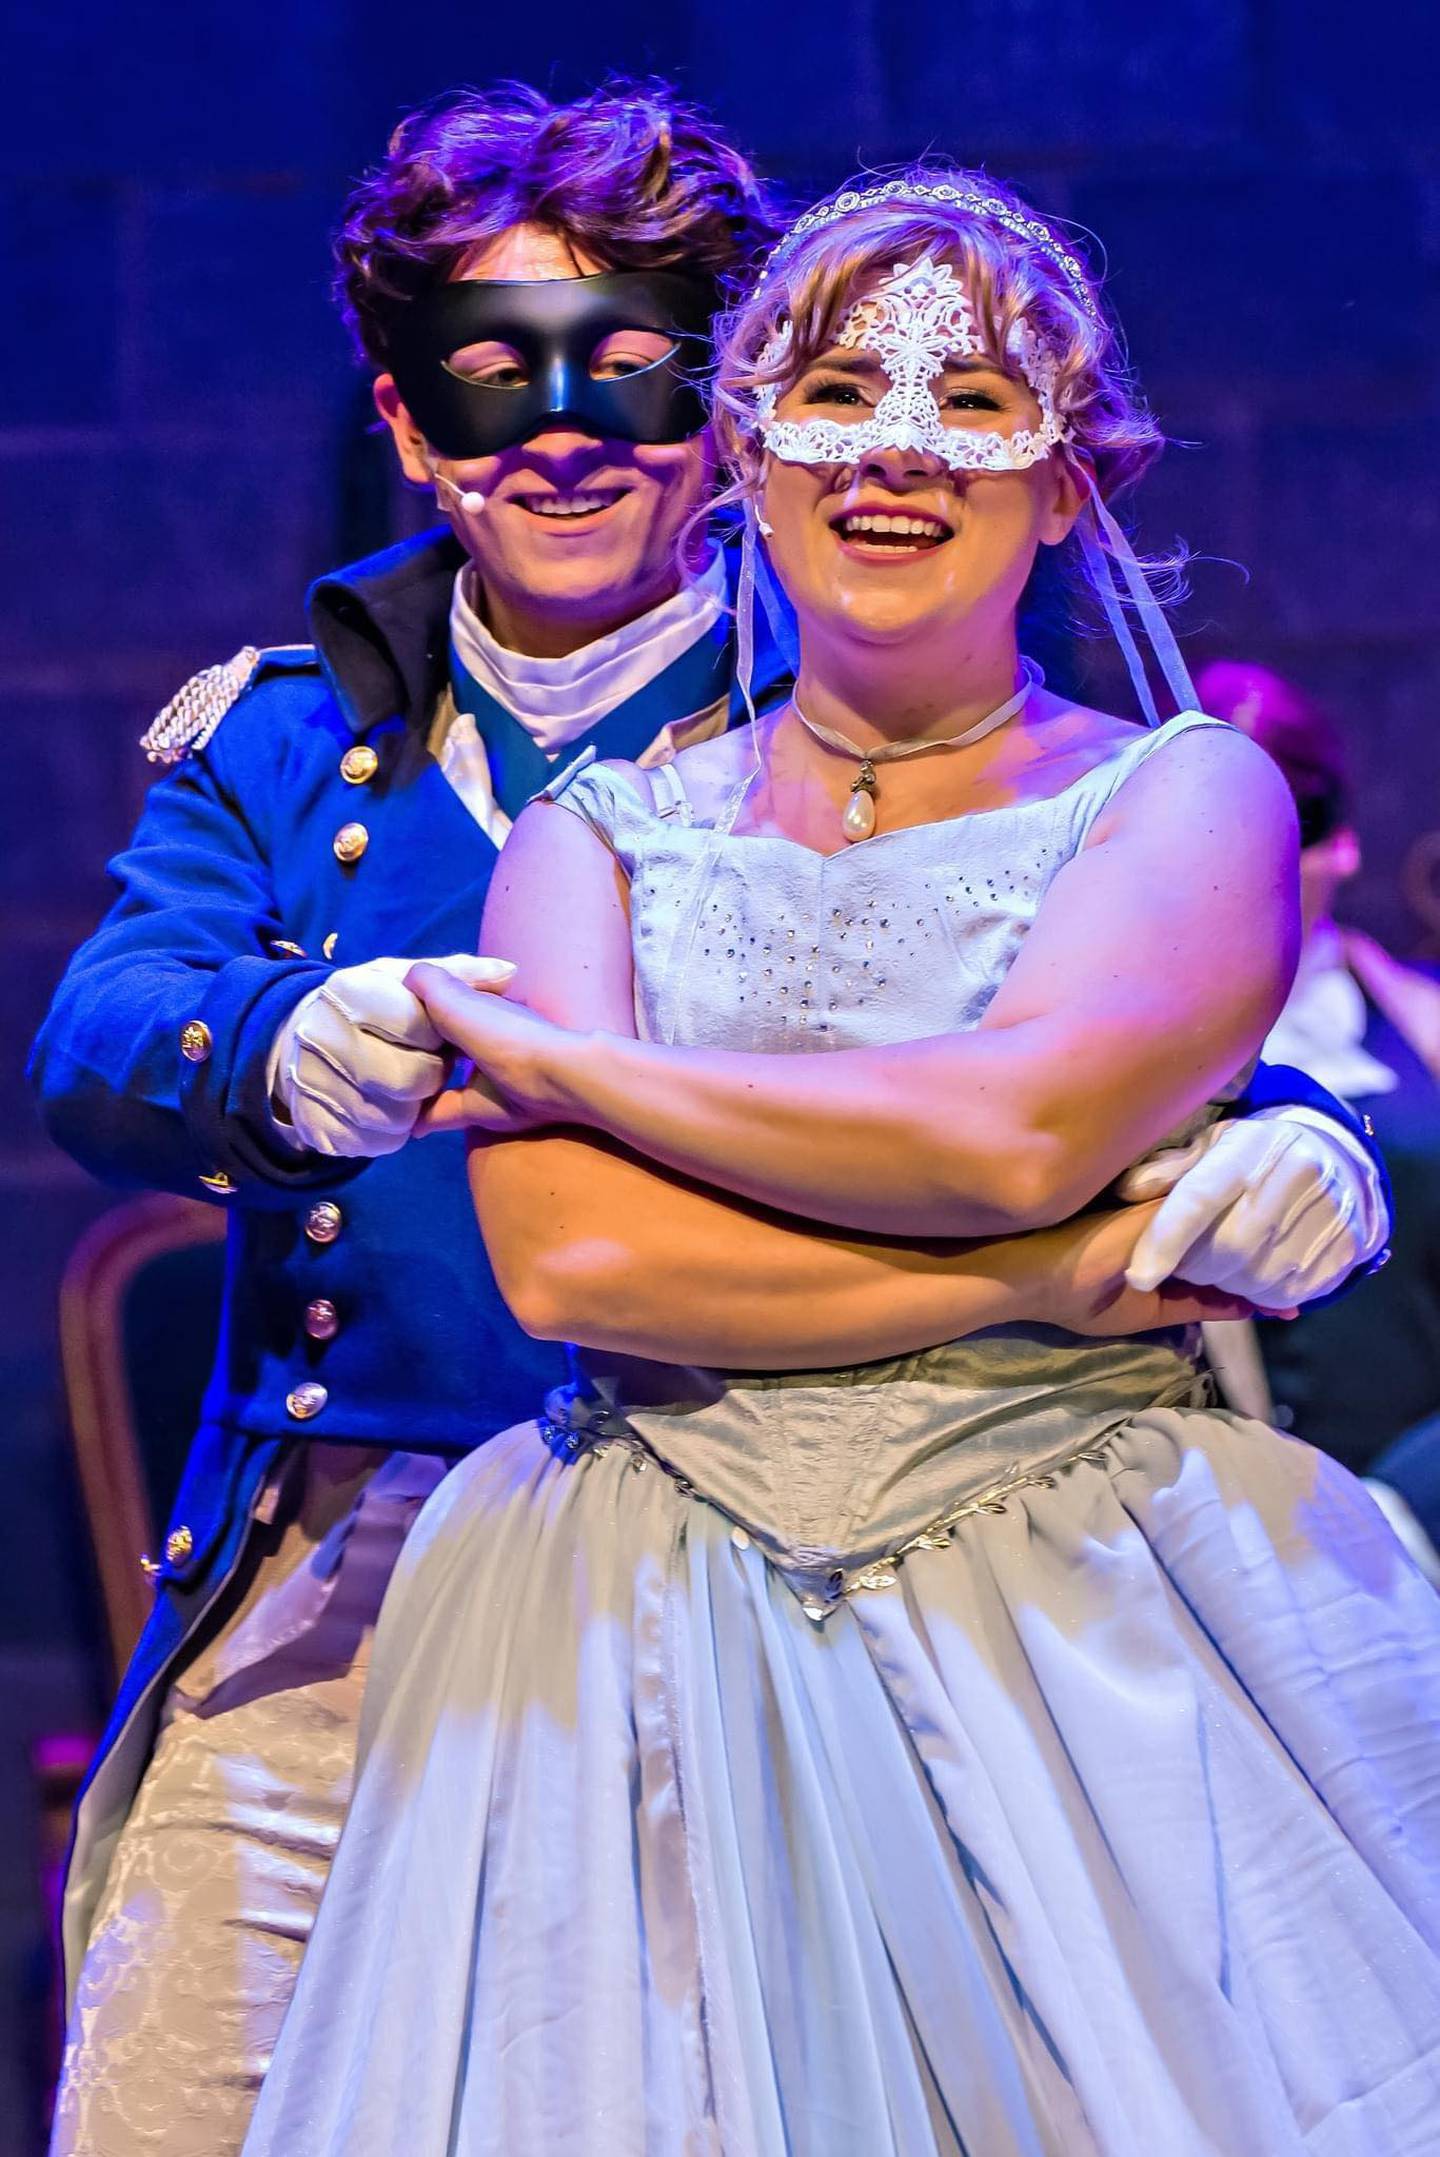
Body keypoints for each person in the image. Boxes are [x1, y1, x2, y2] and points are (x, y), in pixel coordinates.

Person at [242, 173, 1440, 2156]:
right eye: (832, 390)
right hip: (626, 1608)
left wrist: (579, 1060)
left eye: (973, 401)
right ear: (745, 448)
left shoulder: (1183, 795)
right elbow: (578, 1269)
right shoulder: (597, 835)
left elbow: (1017, 1123)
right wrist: (1044, 1271)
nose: (894, 448)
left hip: (1078, 1599)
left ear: (1068, 480)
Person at [33, 80, 789, 2155]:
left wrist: (1282, 1131)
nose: (556, 431)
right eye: (489, 374)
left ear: (720, 407)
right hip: (335, 1580)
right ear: (403, 417)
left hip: (740, 1561)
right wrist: (284, 1043)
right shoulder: (287, 734)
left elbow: (1090, 982)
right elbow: (104, 1027)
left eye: (623, 368)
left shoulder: (850, 718)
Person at [1198, 659, 1440, 1578]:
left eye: (1277, 836)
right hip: (1232, 1541)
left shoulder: (1422, 1029)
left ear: (1337, 843)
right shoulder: (1124, 1053)